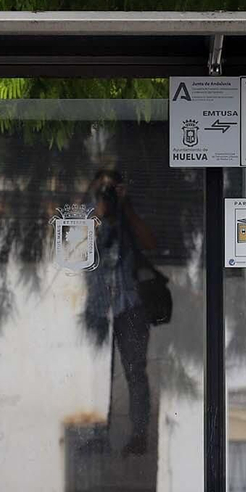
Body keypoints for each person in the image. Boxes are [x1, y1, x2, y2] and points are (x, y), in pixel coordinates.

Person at [82, 169, 158, 456]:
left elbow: (150, 243)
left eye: (112, 189)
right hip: (98, 308)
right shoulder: (89, 213)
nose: (108, 195)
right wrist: (99, 214)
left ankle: (139, 435)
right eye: (103, 189)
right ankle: (96, 434)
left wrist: (126, 209)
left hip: (131, 307)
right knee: (97, 372)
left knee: (135, 372)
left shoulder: (129, 213)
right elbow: (73, 251)